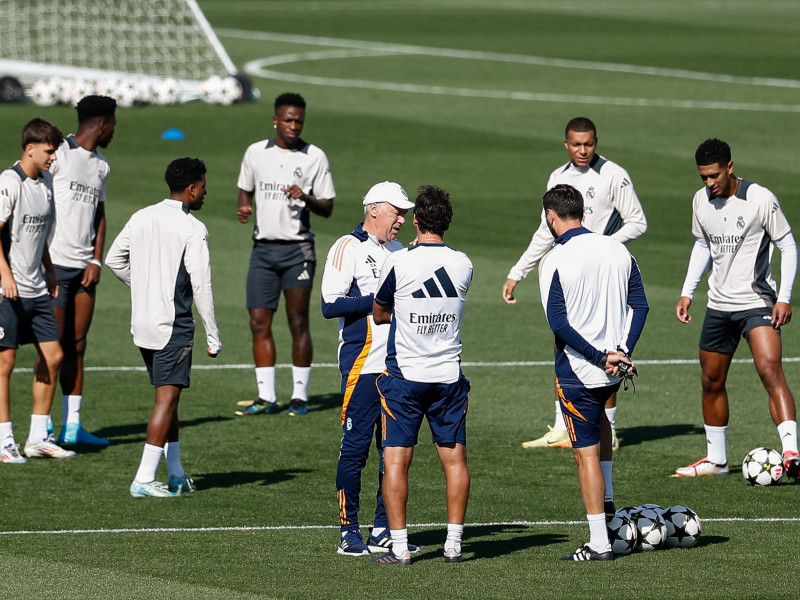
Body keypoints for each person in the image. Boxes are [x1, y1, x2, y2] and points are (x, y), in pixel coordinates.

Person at [502, 117, 647, 452]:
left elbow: (637, 221)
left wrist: (602, 243)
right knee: (562, 340)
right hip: (569, 268)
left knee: (606, 339)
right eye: (576, 144)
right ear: (565, 144)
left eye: (589, 144)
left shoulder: (614, 175)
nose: (583, 150)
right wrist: (517, 271)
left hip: (602, 267)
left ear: (597, 142)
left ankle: (609, 430)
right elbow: (544, 231)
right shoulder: (559, 177)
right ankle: (562, 426)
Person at [674, 138, 799, 478]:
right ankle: (717, 461)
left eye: (714, 175)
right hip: (718, 305)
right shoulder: (701, 201)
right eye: (703, 177)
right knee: (711, 380)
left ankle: (791, 453)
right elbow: (703, 244)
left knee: (769, 369)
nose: (709, 183)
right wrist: (688, 292)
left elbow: (787, 245)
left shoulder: (760, 198)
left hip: (757, 302)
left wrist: (784, 296)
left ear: (730, 168)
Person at [536, 184, 648, 561]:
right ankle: (610, 498)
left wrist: (599, 357)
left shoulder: (554, 259)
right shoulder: (618, 249)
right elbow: (641, 305)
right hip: (614, 370)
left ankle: (599, 543)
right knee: (601, 421)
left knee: (584, 456)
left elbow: (559, 324)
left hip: (578, 371)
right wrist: (622, 351)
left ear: (551, 216)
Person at [370, 185, 473, 565]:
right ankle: (454, 545)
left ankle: (399, 548)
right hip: (448, 376)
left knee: (396, 460)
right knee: (455, 460)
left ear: (416, 221)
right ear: (447, 221)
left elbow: (380, 313)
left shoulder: (399, 263)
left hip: (405, 376)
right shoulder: (464, 264)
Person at [106, 157, 221, 497]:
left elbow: (114, 260)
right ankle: (143, 478)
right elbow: (201, 286)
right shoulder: (192, 228)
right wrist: (213, 335)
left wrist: (143, 288)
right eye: (202, 187)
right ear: (190, 189)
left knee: (168, 399)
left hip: (142, 324)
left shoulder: (141, 216)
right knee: (165, 401)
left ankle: (175, 472)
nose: (204, 193)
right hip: (173, 326)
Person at [321, 181, 422, 557]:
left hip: (397, 367)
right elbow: (331, 304)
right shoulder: (347, 247)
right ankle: (348, 531)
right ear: (375, 209)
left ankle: (382, 526)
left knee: (392, 451)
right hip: (362, 365)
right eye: (397, 212)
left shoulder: (398, 251)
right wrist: (378, 301)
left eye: (405, 214)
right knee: (356, 449)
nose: (402, 219)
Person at [235, 92, 335, 417]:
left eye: (299, 121)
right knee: (258, 320)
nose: (294, 126)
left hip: (298, 250)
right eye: (288, 120)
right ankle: (266, 398)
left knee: (297, 321)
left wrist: (305, 197)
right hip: (262, 250)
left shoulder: (314, 157)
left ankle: (300, 397)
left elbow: (328, 207)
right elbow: (245, 188)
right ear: (275, 120)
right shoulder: (255, 152)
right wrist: (244, 205)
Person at [0, 118, 75, 464]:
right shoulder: (8, 182)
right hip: (8, 291)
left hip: (38, 287)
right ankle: (4, 440)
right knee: (6, 362)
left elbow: (40, 232)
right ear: (30, 148)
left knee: (53, 356)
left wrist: (49, 269)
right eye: (48, 151)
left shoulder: (46, 182)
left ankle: (38, 438)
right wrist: (6, 277)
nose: (53, 158)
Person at [48, 94, 117, 446]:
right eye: (114, 124)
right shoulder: (58, 152)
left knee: (77, 344)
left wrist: (96, 258)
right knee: (53, 347)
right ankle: (41, 425)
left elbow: (100, 216)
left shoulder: (101, 166)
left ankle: (72, 427)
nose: (114, 131)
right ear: (103, 124)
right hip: (55, 266)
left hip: (84, 269)